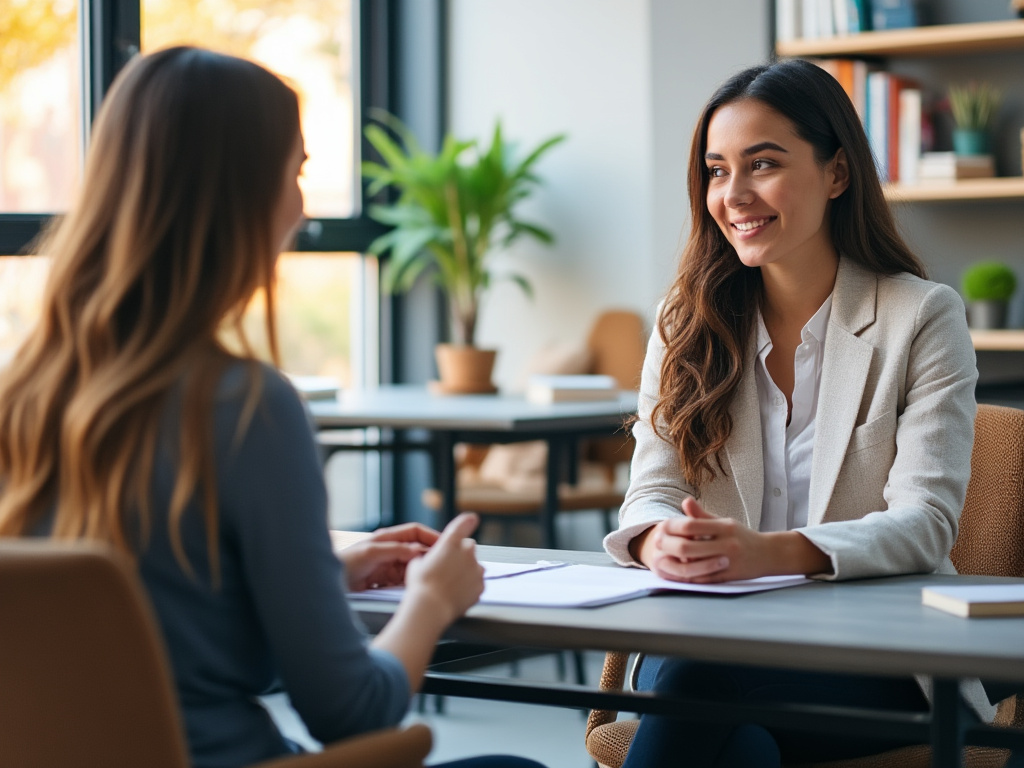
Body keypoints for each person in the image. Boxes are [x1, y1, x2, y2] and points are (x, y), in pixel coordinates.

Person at [0, 46, 545, 768]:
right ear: (236, 196)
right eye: (294, 173)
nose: (303, 207)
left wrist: (318, 582)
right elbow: (353, 715)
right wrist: (434, 602)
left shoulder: (23, 397)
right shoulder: (246, 409)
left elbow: (145, 623)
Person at [603, 59, 989, 767]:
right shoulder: (685, 323)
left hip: (876, 657)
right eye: (717, 170)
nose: (735, 194)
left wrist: (767, 555)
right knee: (735, 739)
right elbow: (651, 491)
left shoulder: (921, 317)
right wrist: (658, 541)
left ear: (837, 173)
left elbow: (925, 522)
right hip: (707, 636)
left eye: (764, 164)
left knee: (704, 688)